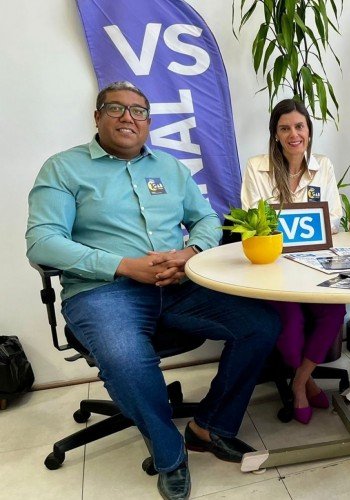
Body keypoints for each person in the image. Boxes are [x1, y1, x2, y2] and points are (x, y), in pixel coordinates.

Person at [26, 81, 281, 500]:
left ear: (148, 121)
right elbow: (42, 242)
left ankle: (209, 427)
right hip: (103, 291)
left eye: (138, 111)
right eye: (116, 108)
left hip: (178, 285)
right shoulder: (63, 168)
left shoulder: (170, 167)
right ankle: (169, 453)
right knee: (126, 357)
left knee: (261, 324)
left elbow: (206, 219)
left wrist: (190, 253)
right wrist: (124, 266)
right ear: (97, 117)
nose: (128, 117)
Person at [241, 98, 346, 425]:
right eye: (284, 128)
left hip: (316, 265)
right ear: (275, 134)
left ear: (309, 132)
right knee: (290, 330)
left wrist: (304, 230)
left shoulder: (323, 167)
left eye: (299, 126)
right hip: (275, 269)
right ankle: (307, 381)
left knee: (335, 312)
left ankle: (298, 381)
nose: (293, 134)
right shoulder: (257, 167)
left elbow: (335, 218)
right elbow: (255, 219)